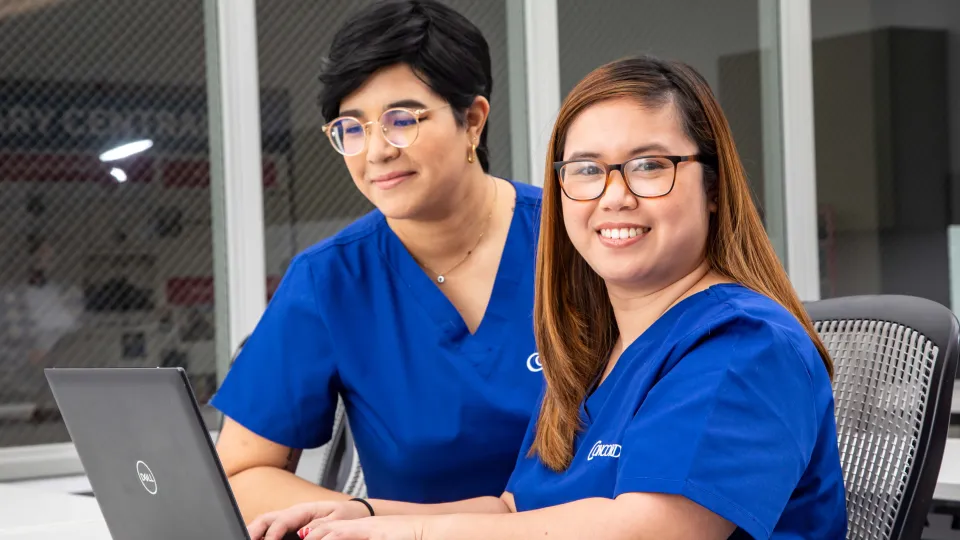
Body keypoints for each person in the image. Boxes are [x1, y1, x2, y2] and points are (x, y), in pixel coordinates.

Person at [247, 55, 848, 540]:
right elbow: (516, 510)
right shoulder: (595, 351)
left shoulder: (745, 344)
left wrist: (416, 534)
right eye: (585, 170)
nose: (613, 196)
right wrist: (370, 514)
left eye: (648, 166)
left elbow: (651, 530)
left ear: (713, 186)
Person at [212, 0, 545, 522]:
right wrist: (379, 521)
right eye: (352, 127)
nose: (376, 151)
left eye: (402, 120)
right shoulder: (331, 280)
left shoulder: (575, 240)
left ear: (473, 121)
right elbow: (241, 473)